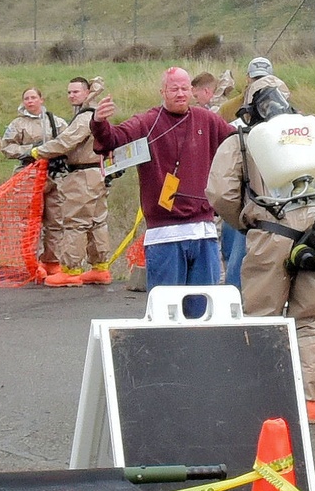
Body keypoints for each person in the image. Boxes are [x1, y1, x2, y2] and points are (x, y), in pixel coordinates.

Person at [207, 73, 315, 424]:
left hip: (270, 235)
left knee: (262, 316)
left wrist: (243, 222)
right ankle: (311, 400)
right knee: (312, 319)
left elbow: (221, 194)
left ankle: (264, 394)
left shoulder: (241, 139)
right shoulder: (308, 136)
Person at [90, 67, 235, 317]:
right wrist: (99, 123)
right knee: (165, 315)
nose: (180, 93)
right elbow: (114, 139)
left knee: (203, 313)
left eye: (184, 88)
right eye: (174, 89)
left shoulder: (208, 120)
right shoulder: (147, 121)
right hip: (164, 235)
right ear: (163, 92)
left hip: (204, 231)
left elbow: (237, 142)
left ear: (192, 90)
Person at [30, 76, 111, 286]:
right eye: (69, 92)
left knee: (75, 222)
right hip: (97, 174)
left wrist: (40, 151)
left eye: (76, 92)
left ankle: (70, 269)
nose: (71, 96)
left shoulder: (86, 117)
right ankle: (100, 268)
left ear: (86, 92)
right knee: (97, 221)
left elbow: (67, 141)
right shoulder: (95, 114)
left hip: (82, 175)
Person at [0, 86, 68, 280]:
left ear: (41, 99)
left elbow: (68, 142)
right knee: (29, 223)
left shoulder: (56, 122)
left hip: (54, 176)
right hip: (28, 175)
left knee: (55, 219)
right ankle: (31, 262)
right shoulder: (17, 124)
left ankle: (52, 262)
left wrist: (53, 153)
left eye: (33, 97)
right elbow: (6, 148)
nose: (30, 101)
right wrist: (31, 150)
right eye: (26, 99)